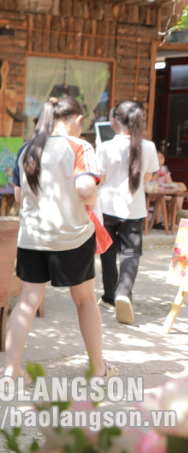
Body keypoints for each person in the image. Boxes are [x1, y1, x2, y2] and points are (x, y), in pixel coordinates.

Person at [5, 97, 116, 379]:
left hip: (31, 238)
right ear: (77, 120)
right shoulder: (80, 146)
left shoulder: (27, 148)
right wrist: (91, 199)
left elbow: (19, 197)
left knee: (27, 301)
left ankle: (11, 370)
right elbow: (85, 188)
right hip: (73, 237)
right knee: (86, 301)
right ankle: (97, 368)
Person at [96, 101, 159, 325]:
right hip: (134, 208)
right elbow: (148, 178)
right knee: (131, 254)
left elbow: (99, 179)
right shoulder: (149, 147)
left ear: (114, 122)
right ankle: (124, 292)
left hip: (107, 208)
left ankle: (109, 296)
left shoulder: (104, 147)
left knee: (108, 252)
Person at [149, 151, 185, 229]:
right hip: (153, 192)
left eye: (161, 158)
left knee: (179, 191)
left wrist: (179, 184)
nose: (159, 160)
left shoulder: (165, 169)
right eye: (157, 158)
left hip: (164, 191)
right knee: (160, 198)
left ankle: (180, 212)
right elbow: (150, 181)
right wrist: (157, 173)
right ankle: (159, 222)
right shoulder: (151, 168)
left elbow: (169, 182)